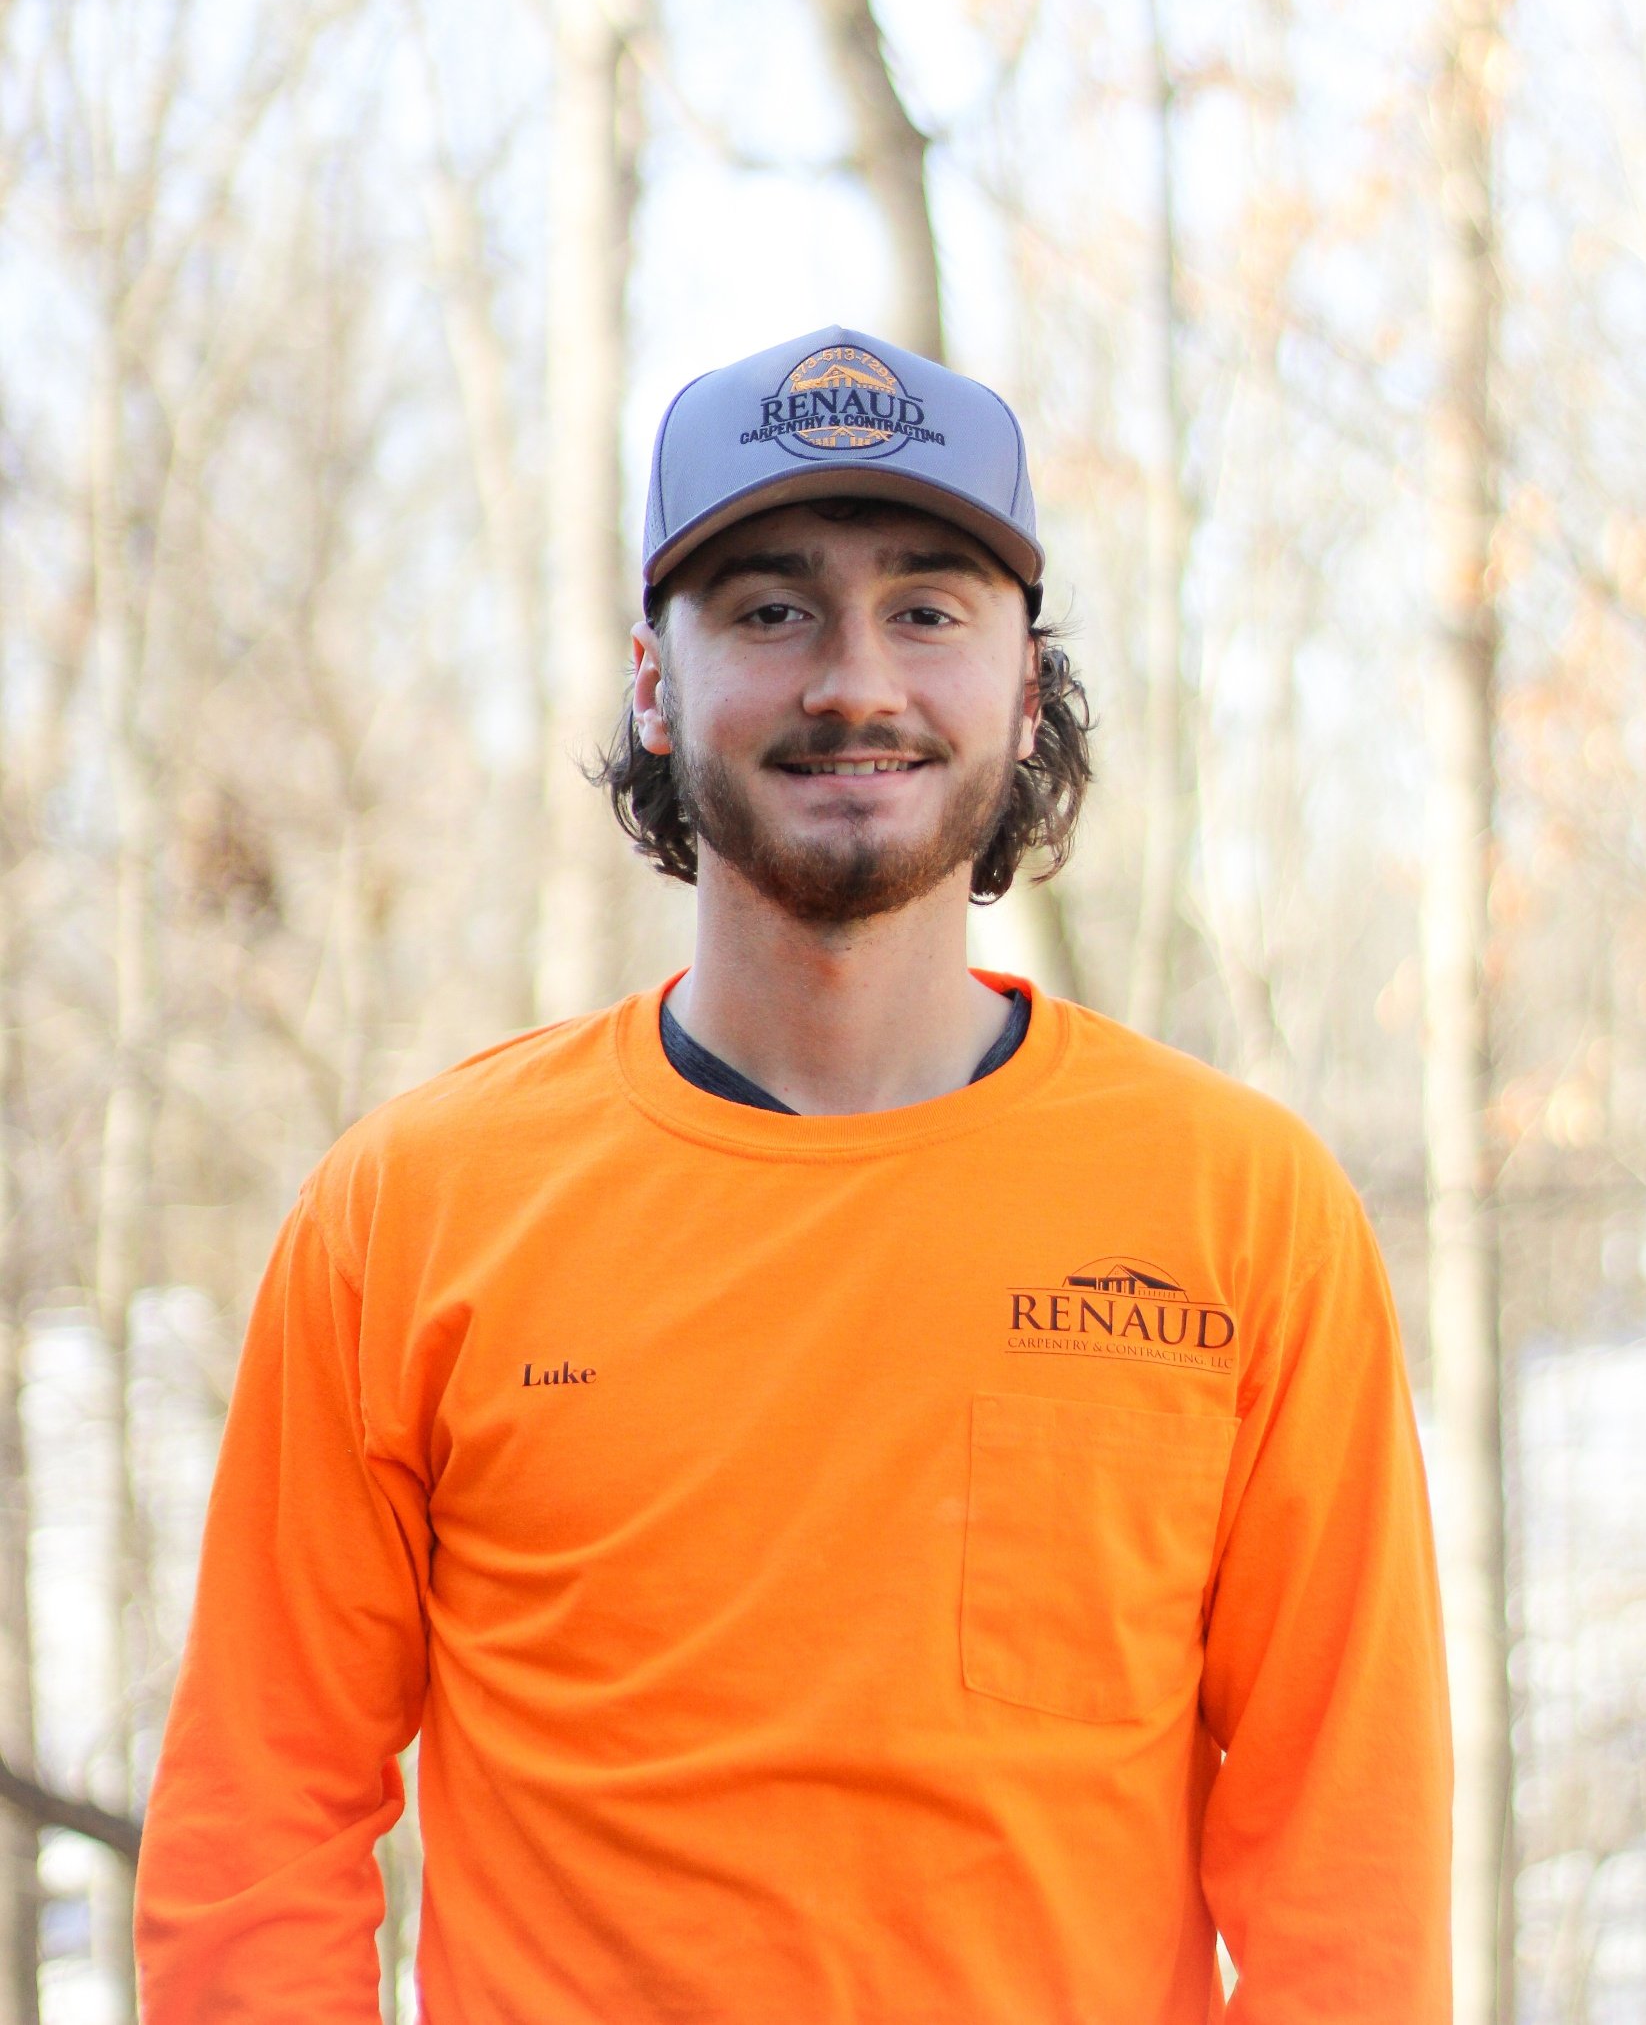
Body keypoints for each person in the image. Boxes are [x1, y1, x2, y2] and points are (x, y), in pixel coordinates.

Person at [134, 326, 1452, 2022]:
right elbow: (257, 1833)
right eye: (771, 609)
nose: (855, 681)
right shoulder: (409, 1216)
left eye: (929, 609)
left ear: (1025, 687)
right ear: (654, 681)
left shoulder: (1243, 1215)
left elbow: (1352, 1887)